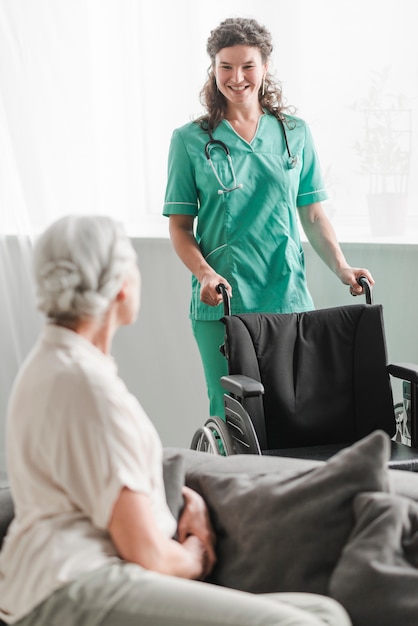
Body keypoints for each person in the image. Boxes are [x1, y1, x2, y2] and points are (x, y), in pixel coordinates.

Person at [0, 214, 351, 626]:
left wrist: (189, 500)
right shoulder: (85, 385)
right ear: (119, 286)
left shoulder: (49, 365)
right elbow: (145, 552)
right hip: (75, 584)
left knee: (323, 612)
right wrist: (196, 553)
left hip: (55, 580)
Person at [163, 17, 375, 420]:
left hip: (287, 296)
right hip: (223, 299)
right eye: (225, 66)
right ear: (213, 69)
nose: (236, 77)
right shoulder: (189, 140)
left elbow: (312, 213)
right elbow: (179, 227)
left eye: (247, 66)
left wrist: (343, 268)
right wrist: (206, 274)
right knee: (233, 415)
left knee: (292, 412)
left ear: (265, 68)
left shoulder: (295, 132)